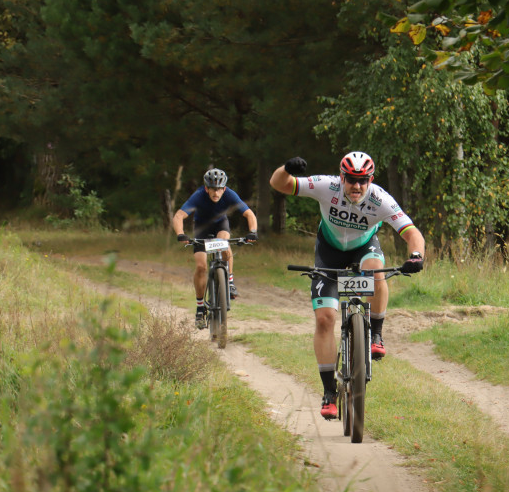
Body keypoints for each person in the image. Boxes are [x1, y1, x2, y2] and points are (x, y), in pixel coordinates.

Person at [269, 151, 425, 420]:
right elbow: (280, 184)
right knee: (325, 320)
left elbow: (412, 233)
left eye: (362, 180)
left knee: (375, 271)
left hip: (363, 250)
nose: (356, 186)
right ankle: (329, 392)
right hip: (328, 254)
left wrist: (416, 256)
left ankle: (375, 334)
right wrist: (286, 168)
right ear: (342, 178)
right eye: (351, 179)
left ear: (370, 180)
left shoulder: (380, 199)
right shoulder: (325, 186)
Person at [172, 168, 258, 329]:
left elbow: (249, 214)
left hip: (220, 224)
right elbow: (179, 216)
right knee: (200, 266)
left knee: (223, 243)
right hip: (201, 228)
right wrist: (181, 234)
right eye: (212, 189)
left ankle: (230, 281)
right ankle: (199, 308)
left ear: (224, 188)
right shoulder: (198, 196)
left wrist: (252, 231)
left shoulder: (230, 194)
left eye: (219, 189)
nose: (216, 193)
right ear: (207, 188)